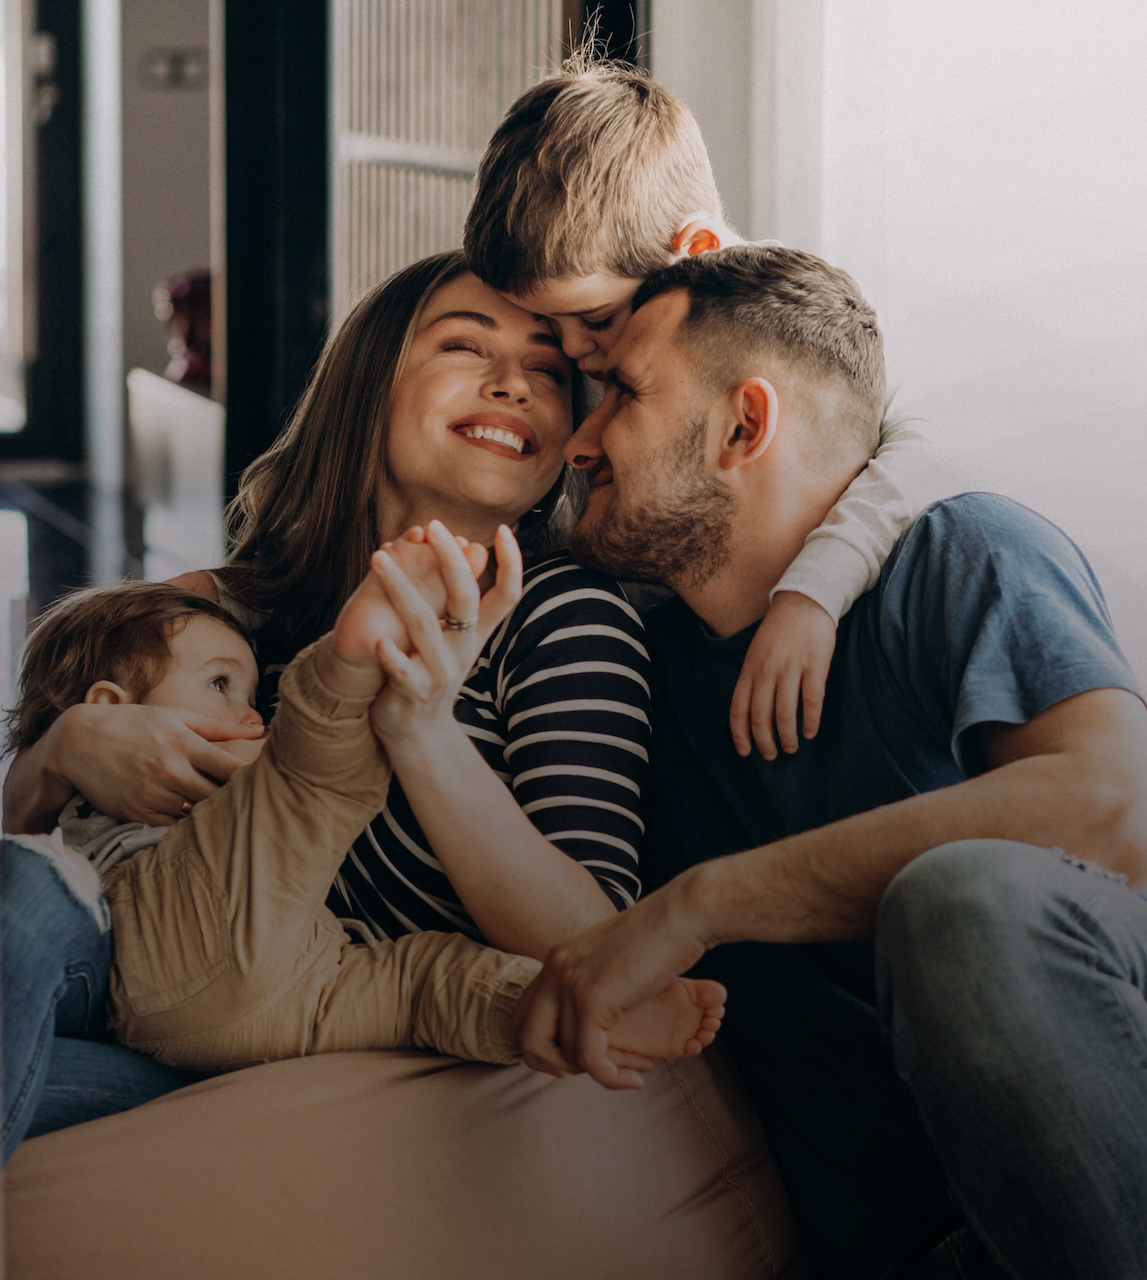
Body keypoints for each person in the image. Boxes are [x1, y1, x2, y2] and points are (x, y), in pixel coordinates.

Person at [513, 244, 1147, 1280]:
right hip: (919, 1251)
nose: (578, 440)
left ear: (744, 425)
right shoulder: (629, 673)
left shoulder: (960, 557)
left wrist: (697, 904)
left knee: (957, 900)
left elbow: (1113, 807)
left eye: (620, 392)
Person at [1, 252, 658, 1150]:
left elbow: (592, 941)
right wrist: (61, 751)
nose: (513, 386)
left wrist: (423, 734)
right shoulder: (235, 608)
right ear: (370, 382)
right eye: (467, 347)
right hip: (141, 1015)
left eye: (546, 372)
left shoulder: (562, 612)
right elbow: (31, 857)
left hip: (349, 1052)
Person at [2, 570, 719, 1136]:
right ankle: (342, 679)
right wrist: (65, 749)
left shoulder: (567, 614)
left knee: (426, 986)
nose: (252, 714)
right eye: (222, 686)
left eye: (253, 692)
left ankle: (570, 1011)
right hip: (152, 982)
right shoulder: (262, 601)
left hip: (300, 980)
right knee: (309, 783)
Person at [463, 51, 941, 762]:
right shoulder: (590, 332)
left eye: (591, 319)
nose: (576, 355)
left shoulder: (787, 327)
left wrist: (808, 596)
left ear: (695, 250)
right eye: (548, 332)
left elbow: (918, 450)